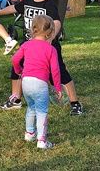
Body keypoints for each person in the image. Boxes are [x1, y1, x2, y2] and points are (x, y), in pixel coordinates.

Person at [0, 0, 84, 116]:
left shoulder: (49, 4)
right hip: (29, 46)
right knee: (16, 69)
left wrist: (50, 39)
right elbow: (14, 8)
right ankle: (16, 99)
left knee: (60, 73)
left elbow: (56, 22)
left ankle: (75, 103)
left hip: (48, 47)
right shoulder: (28, 1)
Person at [12, 14, 62, 150]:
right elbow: (55, 71)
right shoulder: (51, 49)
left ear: (33, 29)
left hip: (25, 82)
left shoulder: (26, 45)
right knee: (42, 112)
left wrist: (19, 71)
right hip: (40, 84)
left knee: (31, 108)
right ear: (50, 32)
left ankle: (29, 133)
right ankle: (42, 140)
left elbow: (15, 60)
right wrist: (58, 88)